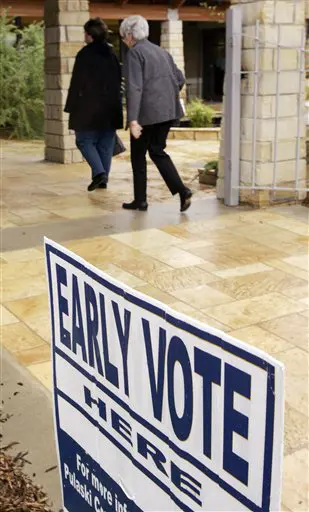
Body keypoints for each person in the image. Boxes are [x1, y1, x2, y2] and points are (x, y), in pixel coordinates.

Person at [120, 15, 192, 212]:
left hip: (146, 116)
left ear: (129, 35)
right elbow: (180, 78)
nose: (124, 41)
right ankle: (182, 191)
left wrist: (133, 120)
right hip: (167, 112)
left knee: (138, 156)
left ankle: (140, 201)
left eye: (124, 37)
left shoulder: (135, 53)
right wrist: (165, 96)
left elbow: (134, 88)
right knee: (157, 151)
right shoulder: (162, 52)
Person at [64, 18, 123, 191]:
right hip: (111, 108)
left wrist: (70, 106)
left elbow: (77, 83)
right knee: (105, 144)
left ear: (90, 36)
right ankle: (103, 179)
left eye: (85, 33)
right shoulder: (112, 55)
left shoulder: (85, 54)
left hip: (89, 108)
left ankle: (99, 173)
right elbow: (119, 81)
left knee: (83, 140)